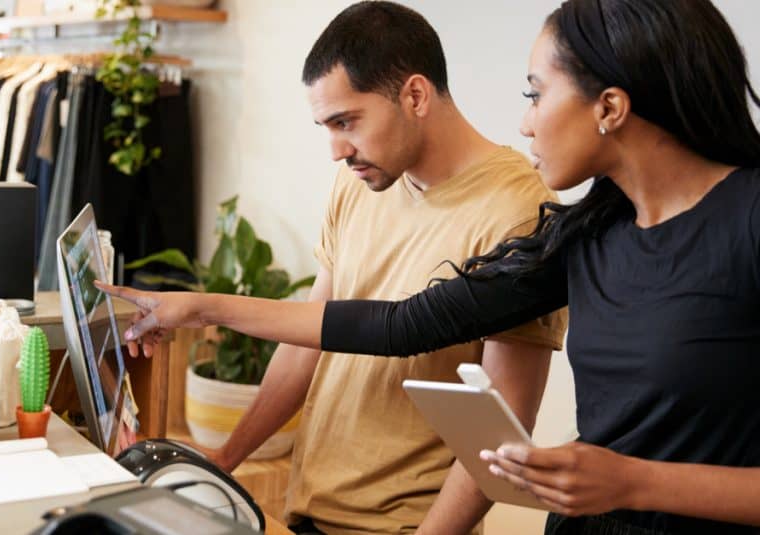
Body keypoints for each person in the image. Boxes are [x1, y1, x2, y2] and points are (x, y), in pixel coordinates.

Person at [98, 0, 760, 533]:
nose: (526, 123)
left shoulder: (746, 219)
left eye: (535, 94)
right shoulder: (589, 235)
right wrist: (200, 307)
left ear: (610, 107)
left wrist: (633, 480)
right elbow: (400, 325)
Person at [126, 2, 567, 534]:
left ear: (415, 95)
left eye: (346, 122)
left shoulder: (516, 211)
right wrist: (226, 458)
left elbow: (501, 429)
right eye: (326, 126)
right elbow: (308, 340)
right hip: (309, 511)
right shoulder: (361, 180)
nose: (337, 150)